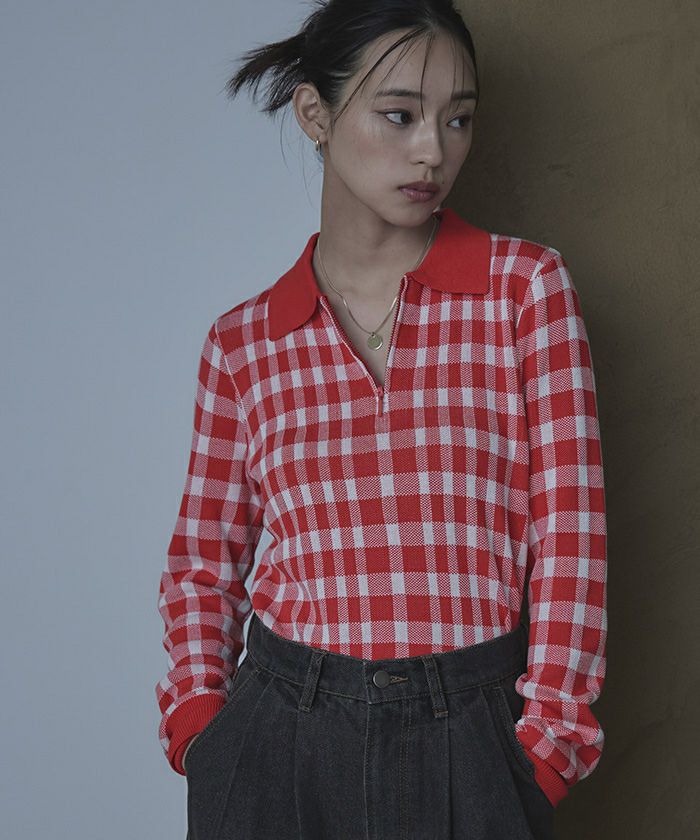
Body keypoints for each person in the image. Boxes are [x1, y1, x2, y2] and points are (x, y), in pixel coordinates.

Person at [155, 2, 608, 838]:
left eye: (457, 118)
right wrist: (201, 727)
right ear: (315, 114)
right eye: (399, 115)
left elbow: (571, 536)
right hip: (280, 736)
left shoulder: (524, 291)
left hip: (474, 735)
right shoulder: (244, 342)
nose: (433, 150)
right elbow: (202, 564)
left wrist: (545, 750)